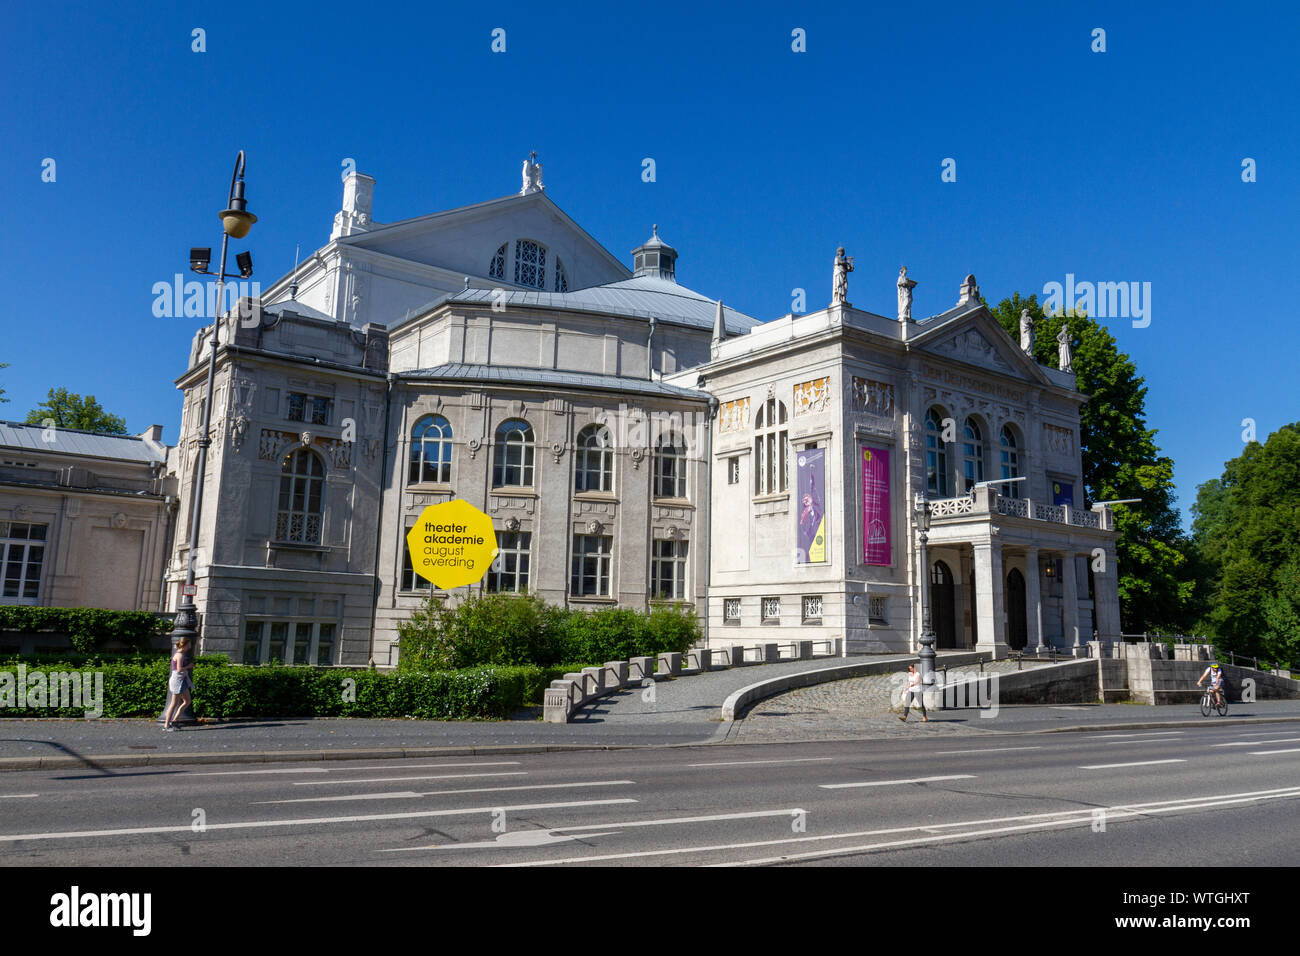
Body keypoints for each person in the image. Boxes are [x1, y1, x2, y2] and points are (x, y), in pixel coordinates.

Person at [163, 637, 195, 731]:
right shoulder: (179, 655)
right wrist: (189, 666)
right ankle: (166, 725)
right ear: (184, 645)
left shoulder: (179, 654)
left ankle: (175, 720)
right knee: (173, 704)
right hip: (178, 681)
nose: (189, 647)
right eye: (188, 645)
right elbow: (179, 669)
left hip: (182, 680)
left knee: (187, 701)